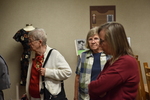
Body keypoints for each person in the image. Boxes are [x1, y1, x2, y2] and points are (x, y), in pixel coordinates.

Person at [88, 22, 140, 100]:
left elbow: (95, 87)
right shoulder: (111, 61)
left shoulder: (126, 62)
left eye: (102, 41)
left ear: (113, 41)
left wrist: (102, 92)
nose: (100, 44)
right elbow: (95, 89)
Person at [25, 28, 72, 100]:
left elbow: (67, 72)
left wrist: (48, 72)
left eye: (31, 41)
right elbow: (33, 78)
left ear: (40, 42)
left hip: (48, 97)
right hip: (33, 97)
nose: (29, 43)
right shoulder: (32, 54)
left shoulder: (54, 54)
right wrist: (27, 94)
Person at [74, 27, 109, 100]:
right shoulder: (83, 55)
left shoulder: (109, 56)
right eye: (90, 39)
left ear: (101, 40)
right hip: (85, 96)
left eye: (96, 38)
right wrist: (75, 97)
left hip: (104, 96)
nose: (93, 42)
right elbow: (78, 77)